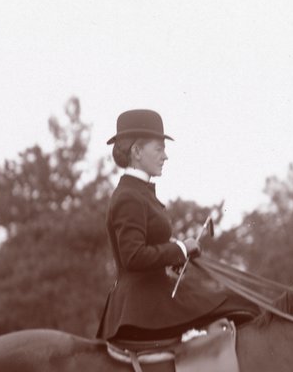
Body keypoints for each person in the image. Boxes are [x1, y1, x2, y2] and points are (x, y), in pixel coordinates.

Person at [95, 109, 256, 343]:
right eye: (159, 149)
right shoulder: (129, 196)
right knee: (241, 303)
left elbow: (146, 245)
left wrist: (176, 254)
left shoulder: (139, 192)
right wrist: (180, 249)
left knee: (239, 301)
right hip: (143, 305)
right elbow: (133, 256)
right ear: (137, 151)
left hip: (154, 296)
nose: (165, 156)